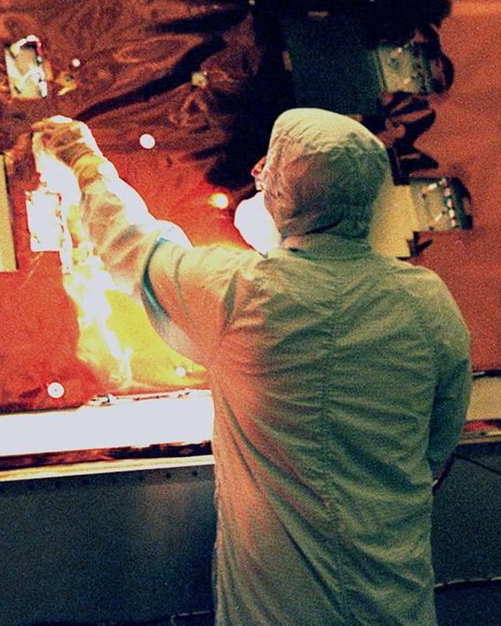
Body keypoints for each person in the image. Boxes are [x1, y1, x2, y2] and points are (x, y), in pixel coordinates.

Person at [33, 108, 472, 626]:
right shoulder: (427, 303)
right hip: (396, 606)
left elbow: (136, 247)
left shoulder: (245, 293)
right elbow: (436, 452)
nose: (257, 173)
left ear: (286, 189)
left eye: (271, 166)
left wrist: (84, 164)